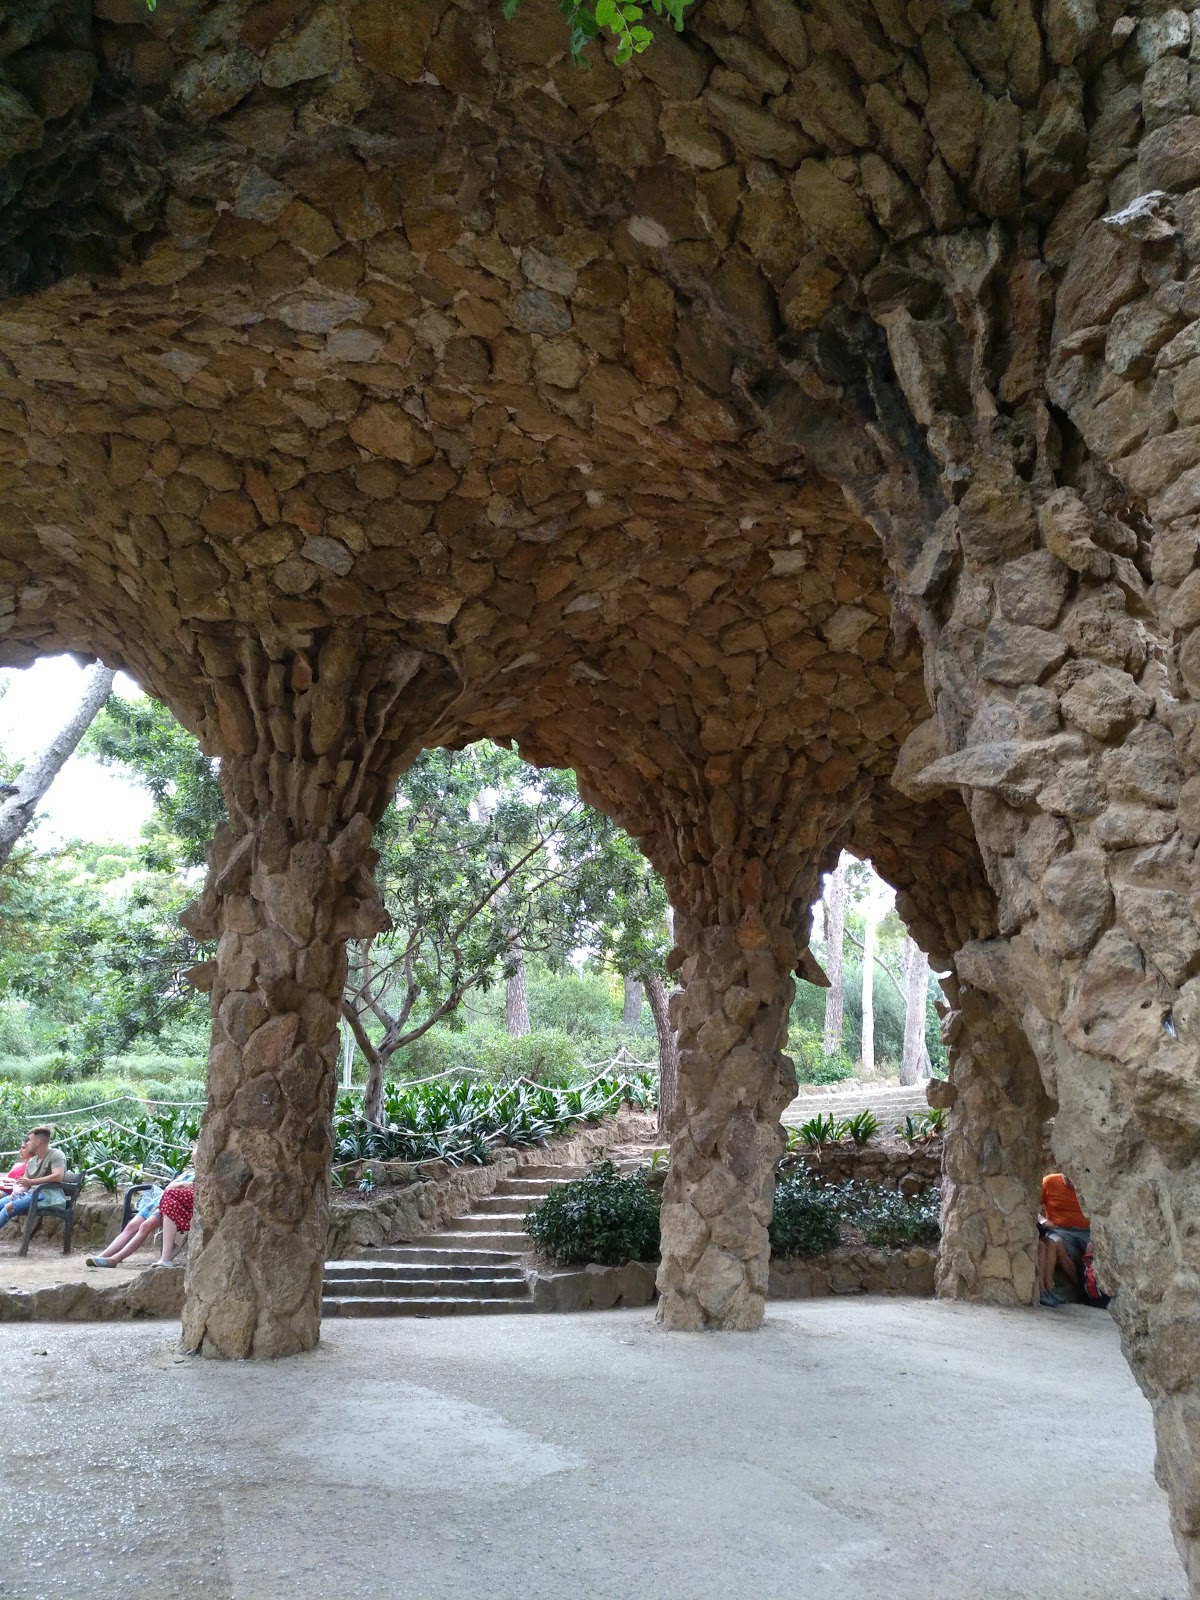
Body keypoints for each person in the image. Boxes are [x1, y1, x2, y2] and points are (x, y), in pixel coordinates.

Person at [0, 1127, 67, 1235]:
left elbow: (58, 1176)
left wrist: (32, 1182)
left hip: (48, 1196)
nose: (27, 1143)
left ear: (38, 1142)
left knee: (9, 1207)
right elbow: (24, 1184)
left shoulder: (56, 1154)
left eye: (29, 1140)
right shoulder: (32, 1161)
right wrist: (17, 1191)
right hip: (30, 1194)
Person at [1038, 1171, 1090, 1308]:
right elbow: (1032, 1207)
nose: (1072, 1184)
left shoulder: (1088, 1181)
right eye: (1068, 1180)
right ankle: (1080, 1289)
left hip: (1087, 1231)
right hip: (1060, 1230)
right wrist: (1043, 1221)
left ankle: (1090, 1290)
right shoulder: (1049, 1182)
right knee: (1056, 1245)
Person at [85, 1184, 165, 1269]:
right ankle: (103, 1256)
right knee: (131, 1226)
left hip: (171, 1203)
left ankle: (115, 1259)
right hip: (161, 1199)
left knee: (145, 1227)